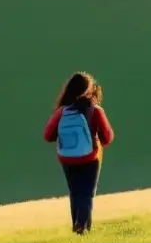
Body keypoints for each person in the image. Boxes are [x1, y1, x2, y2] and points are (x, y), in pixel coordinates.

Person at [43, 72, 115, 234]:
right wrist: (96, 142)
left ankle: (77, 226)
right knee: (87, 194)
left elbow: (48, 135)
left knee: (75, 193)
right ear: (88, 90)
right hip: (90, 157)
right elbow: (108, 137)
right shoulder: (95, 111)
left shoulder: (62, 112)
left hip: (67, 158)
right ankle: (82, 228)